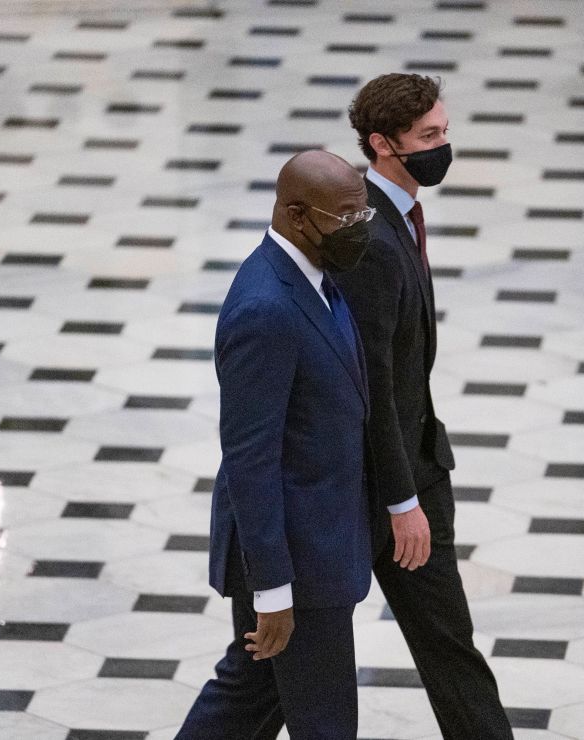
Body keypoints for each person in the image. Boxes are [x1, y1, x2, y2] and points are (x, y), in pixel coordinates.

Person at [334, 73, 514, 739]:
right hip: (382, 488)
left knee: (450, 649)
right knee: (273, 668)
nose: (443, 147)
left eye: (444, 131)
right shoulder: (371, 236)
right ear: (382, 144)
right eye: (428, 137)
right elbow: (375, 383)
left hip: (416, 464)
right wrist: (402, 501)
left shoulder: (398, 213)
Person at [175, 150, 377, 739]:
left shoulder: (313, 275)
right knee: (325, 723)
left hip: (320, 545)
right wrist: (274, 589)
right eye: (346, 218)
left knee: (249, 699)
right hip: (295, 560)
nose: (358, 230)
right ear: (295, 215)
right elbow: (251, 460)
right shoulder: (266, 308)